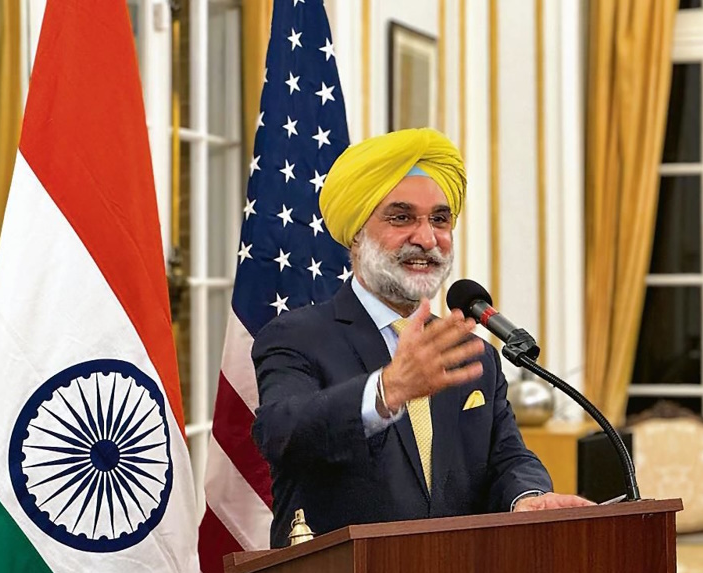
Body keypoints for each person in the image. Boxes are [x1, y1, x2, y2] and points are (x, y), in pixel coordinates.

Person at [252, 128, 592, 549]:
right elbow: (281, 432)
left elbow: (506, 457)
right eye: (401, 218)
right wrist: (386, 391)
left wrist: (527, 497)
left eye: (439, 219)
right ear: (356, 234)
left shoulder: (472, 353)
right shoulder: (296, 336)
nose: (427, 239)